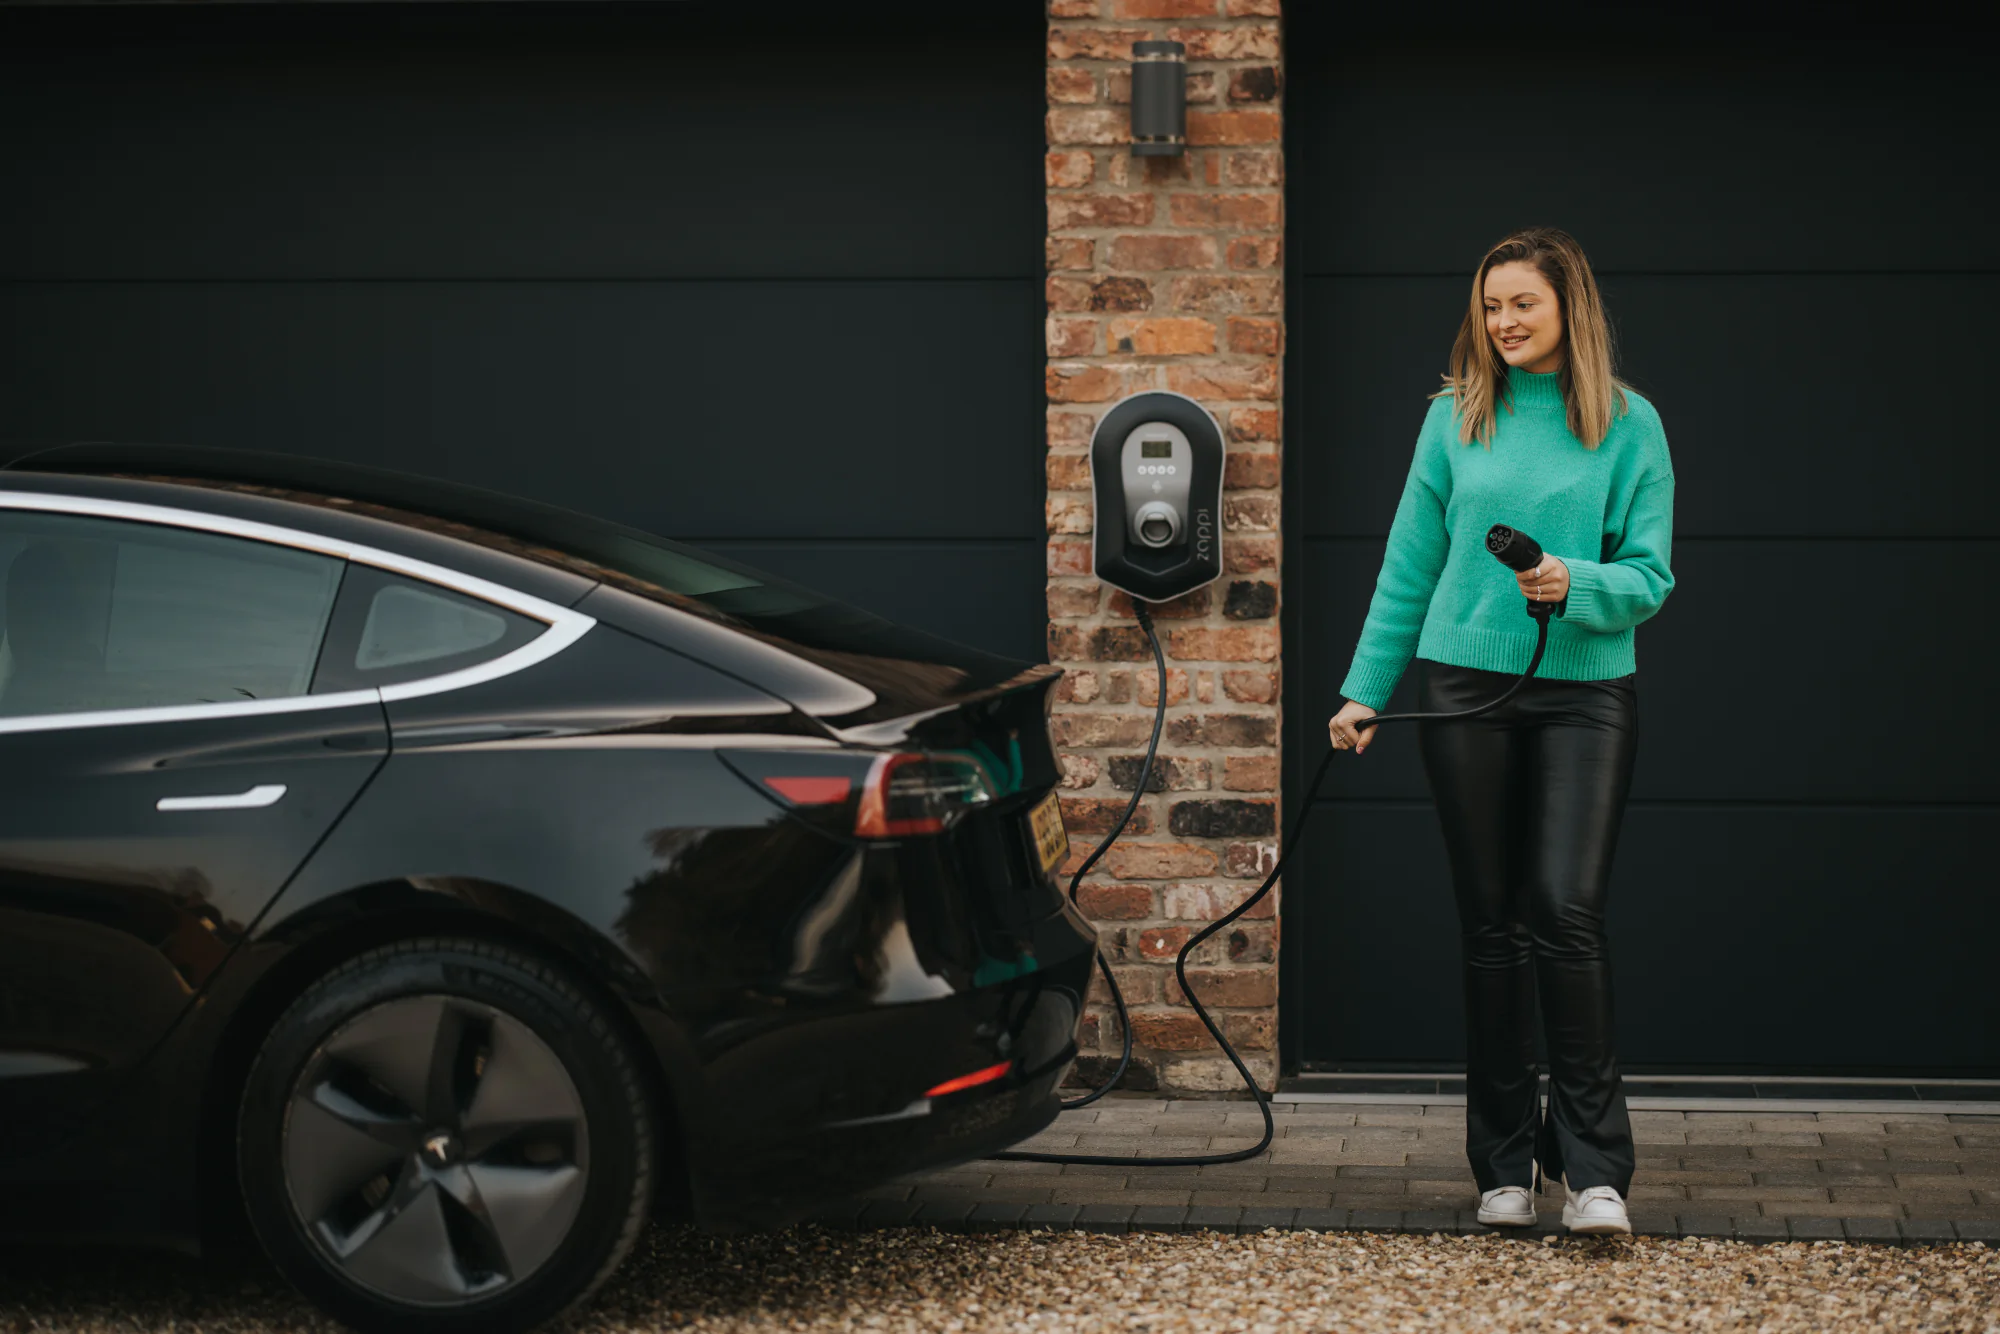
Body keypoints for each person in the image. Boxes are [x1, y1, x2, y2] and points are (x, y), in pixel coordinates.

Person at [1326, 227, 1675, 1236]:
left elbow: (1648, 575)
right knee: (1490, 926)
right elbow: (1407, 564)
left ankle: (1595, 1166)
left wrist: (1579, 583)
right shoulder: (1453, 419)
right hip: (1461, 688)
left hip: (1584, 691)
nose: (1501, 322)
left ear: (1569, 306)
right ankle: (1501, 1162)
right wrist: (1361, 690)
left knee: (1564, 911)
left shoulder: (1628, 424)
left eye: (1519, 302)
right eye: (1488, 305)